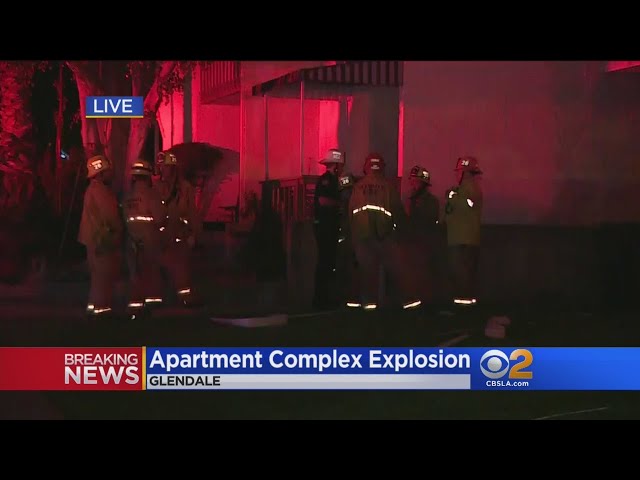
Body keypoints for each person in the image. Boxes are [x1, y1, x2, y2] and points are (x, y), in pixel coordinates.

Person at [348, 153, 421, 311]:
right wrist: (403, 231)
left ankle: (368, 306)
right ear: (382, 168)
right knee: (397, 269)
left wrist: (352, 237)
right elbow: (398, 212)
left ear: (366, 167)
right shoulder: (388, 187)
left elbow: (351, 213)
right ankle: (408, 301)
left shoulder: (357, 187)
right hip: (385, 236)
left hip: (363, 237)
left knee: (367, 273)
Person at [77, 155, 123, 319]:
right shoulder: (101, 191)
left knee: (97, 278)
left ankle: (94, 308)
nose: (111, 174)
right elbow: (110, 216)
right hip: (102, 240)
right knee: (104, 277)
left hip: (94, 239)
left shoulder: (92, 190)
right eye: (108, 171)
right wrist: (119, 229)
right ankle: (102, 310)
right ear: (101, 173)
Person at [154, 151, 201, 307]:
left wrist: (194, 234)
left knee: (182, 273)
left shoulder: (185, 188)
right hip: (163, 239)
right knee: (160, 273)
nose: (162, 170)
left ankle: (185, 301)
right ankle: (164, 302)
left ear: (173, 168)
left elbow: (192, 212)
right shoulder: (156, 187)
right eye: (161, 167)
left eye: (165, 167)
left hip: (181, 238)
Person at [123, 159, 166, 320]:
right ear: (148, 176)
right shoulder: (151, 195)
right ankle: (152, 306)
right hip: (149, 240)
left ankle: (134, 308)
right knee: (151, 272)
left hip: (131, 241)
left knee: (135, 274)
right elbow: (160, 217)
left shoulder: (127, 196)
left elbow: (124, 218)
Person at [443, 156, 484, 307]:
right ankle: (463, 304)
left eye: (459, 171)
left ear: (464, 173)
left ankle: (464, 306)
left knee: (462, 274)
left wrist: (453, 197)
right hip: (461, 238)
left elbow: (467, 205)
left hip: (463, 239)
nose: (457, 174)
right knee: (462, 273)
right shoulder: (462, 190)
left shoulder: (469, 190)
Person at [312, 148, 345, 310]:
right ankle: (321, 299)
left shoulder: (334, 180)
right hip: (325, 226)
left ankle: (325, 298)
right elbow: (323, 201)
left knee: (329, 261)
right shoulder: (326, 180)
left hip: (330, 225)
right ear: (336, 165)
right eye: (341, 165)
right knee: (325, 261)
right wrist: (340, 204)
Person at [406, 165, 441, 305]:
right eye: (412, 180)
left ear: (422, 183)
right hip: (414, 242)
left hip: (425, 243)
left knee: (424, 274)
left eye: (415, 181)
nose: (412, 184)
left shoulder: (430, 202)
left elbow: (428, 221)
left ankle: (427, 302)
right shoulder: (412, 200)